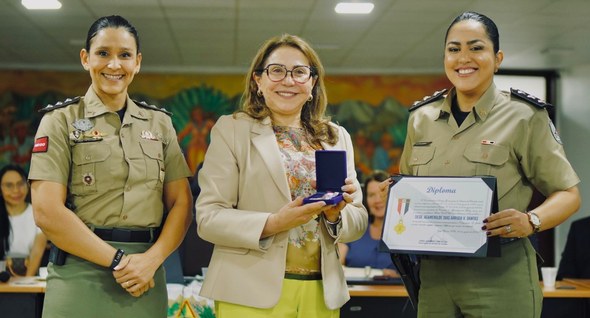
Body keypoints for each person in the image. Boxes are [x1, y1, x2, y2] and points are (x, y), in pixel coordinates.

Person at [381, 11, 581, 318]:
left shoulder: (524, 116)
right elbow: (410, 192)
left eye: (476, 48)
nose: (463, 58)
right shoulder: (421, 118)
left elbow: (568, 194)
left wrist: (532, 221)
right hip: (434, 277)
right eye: (453, 49)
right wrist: (394, 197)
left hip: (500, 274)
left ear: (497, 58)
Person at [28, 15, 192, 318]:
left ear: (138, 62)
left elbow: (182, 203)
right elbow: (46, 211)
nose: (114, 65)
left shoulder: (161, 124)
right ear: (85, 58)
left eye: (125, 55)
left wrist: (151, 261)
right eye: (103, 53)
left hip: (145, 275)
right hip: (79, 272)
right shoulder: (59, 121)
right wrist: (118, 260)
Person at [196, 34, 368, 317]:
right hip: (248, 289)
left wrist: (336, 216)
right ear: (258, 81)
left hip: (321, 293)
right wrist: (274, 222)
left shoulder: (337, 138)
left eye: (300, 72)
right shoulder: (232, 130)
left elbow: (358, 221)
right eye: (276, 70)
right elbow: (209, 218)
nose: (288, 80)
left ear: (312, 83)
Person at [339, 170, 398, 278]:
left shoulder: (404, 234)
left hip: (395, 292)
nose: (377, 200)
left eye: (382, 194)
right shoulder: (354, 228)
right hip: (356, 292)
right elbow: (337, 266)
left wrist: (399, 277)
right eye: (371, 195)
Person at [0, 164, 47, 276]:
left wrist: (26, 282)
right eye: (9, 185)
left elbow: (36, 254)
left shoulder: (39, 214)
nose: (16, 190)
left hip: (29, 279)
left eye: (20, 184)